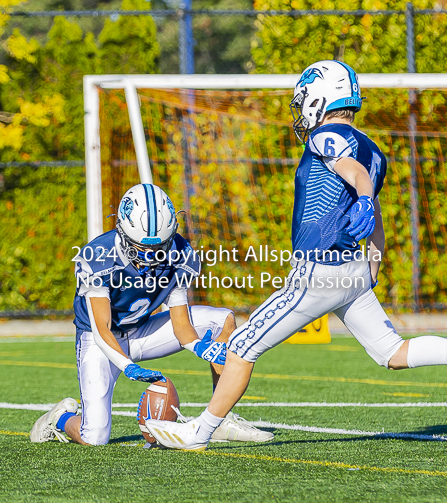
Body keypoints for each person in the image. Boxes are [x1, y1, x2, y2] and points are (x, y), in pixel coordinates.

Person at [145, 60, 447, 451]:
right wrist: (375, 261)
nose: (300, 110)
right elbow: (373, 205)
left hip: (320, 272)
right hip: (352, 271)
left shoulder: (325, 136)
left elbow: (353, 173)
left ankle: (199, 433)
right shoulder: (376, 150)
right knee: (392, 352)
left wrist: (365, 200)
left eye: (303, 101)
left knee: (242, 346)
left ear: (319, 99)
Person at [30, 183, 273, 446]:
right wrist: (128, 366)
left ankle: (219, 420)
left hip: (142, 331)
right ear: (121, 231)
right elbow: (101, 328)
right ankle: (60, 418)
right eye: (141, 248)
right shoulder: (98, 255)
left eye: (159, 248)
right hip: (100, 339)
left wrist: (199, 348)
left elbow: (181, 323)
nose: (151, 258)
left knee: (222, 319)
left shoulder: (180, 253)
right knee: (94, 437)